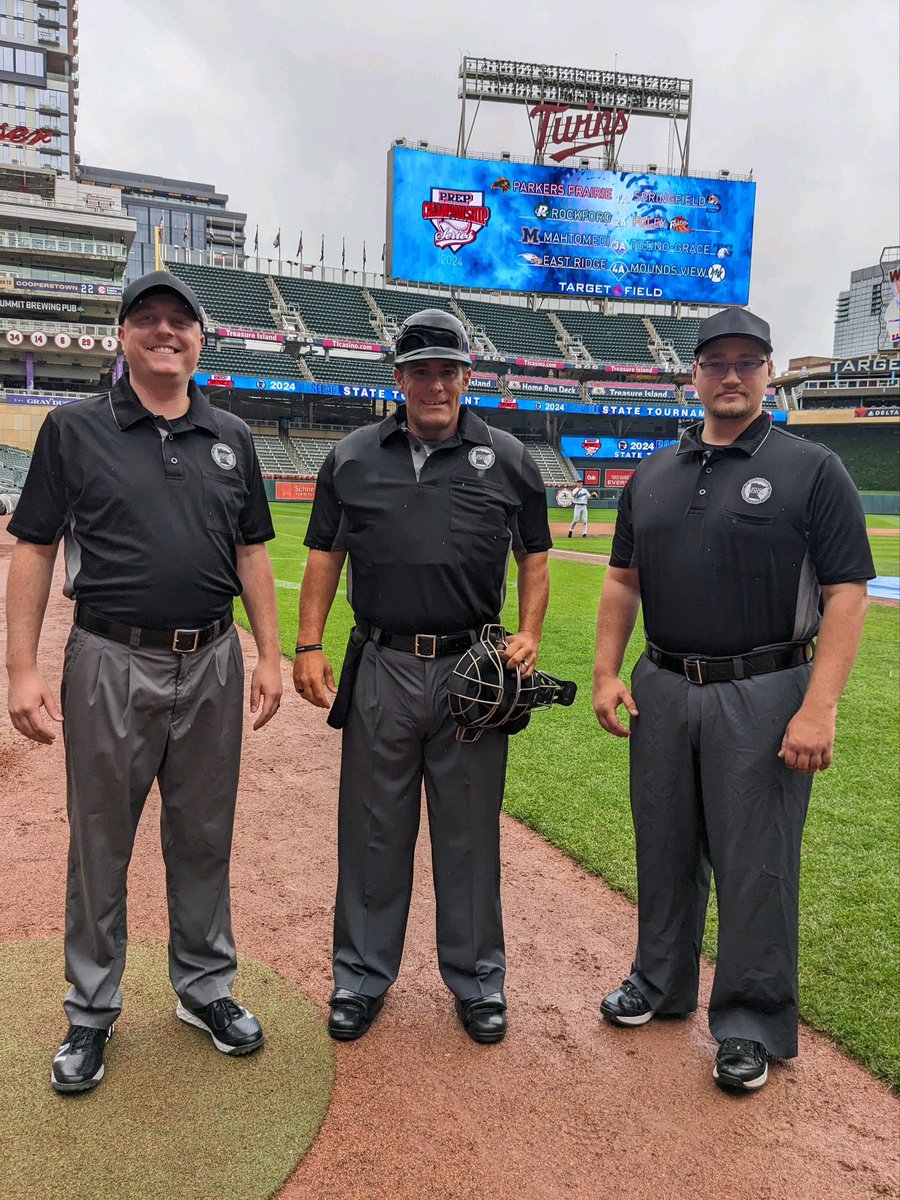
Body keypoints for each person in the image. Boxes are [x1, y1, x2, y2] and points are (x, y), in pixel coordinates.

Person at [5, 270, 283, 1093]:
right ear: (123, 337)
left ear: (202, 339)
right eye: (148, 320)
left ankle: (204, 989)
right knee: (100, 842)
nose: (165, 332)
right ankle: (91, 1010)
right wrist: (21, 668)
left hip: (211, 659)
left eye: (180, 322)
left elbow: (253, 551)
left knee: (203, 834)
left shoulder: (231, 433)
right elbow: (35, 546)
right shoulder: (74, 428)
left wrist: (268, 652)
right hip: (108, 657)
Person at [592, 308, 874, 1092]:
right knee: (665, 846)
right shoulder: (651, 473)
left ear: (767, 374)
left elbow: (849, 591)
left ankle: (751, 1020)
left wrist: (820, 706)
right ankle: (661, 981)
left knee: (758, 866)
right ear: (694, 374)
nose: (731, 375)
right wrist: (608, 670)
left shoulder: (811, 467)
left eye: (747, 362)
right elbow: (621, 578)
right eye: (716, 361)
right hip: (663, 683)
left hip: (764, 686)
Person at [293, 309, 551, 1044]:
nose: (434, 383)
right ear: (398, 377)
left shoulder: (508, 458)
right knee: (373, 829)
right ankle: (361, 977)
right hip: (381, 662)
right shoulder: (350, 458)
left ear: (468, 377)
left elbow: (535, 553)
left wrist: (529, 631)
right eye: (420, 370)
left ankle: (476, 981)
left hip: (472, 668)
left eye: (448, 370)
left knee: (468, 833)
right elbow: (323, 556)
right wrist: (308, 643)